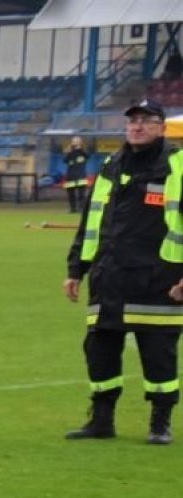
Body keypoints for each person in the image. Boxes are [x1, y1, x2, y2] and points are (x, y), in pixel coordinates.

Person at [64, 99, 182, 446]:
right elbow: (91, 223)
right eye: (133, 121)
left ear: (161, 126)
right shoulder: (111, 166)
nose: (138, 126)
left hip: (159, 280)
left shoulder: (176, 166)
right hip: (110, 277)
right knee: (99, 351)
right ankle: (102, 421)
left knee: (158, 356)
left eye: (147, 120)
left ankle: (160, 423)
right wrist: (76, 269)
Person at [61, 136, 89, 215]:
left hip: (81, 176)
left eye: (77, 141)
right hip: (70, 176)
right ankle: (72, 208)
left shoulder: (84, 151)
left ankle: (81, 209)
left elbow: (87, 156)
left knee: (81, 195)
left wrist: (79, 149)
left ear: (80, 142)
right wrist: (70, 151)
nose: (76, 143)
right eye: (74, 141)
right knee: (71, 194)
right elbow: (65, 160)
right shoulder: (69, 151)